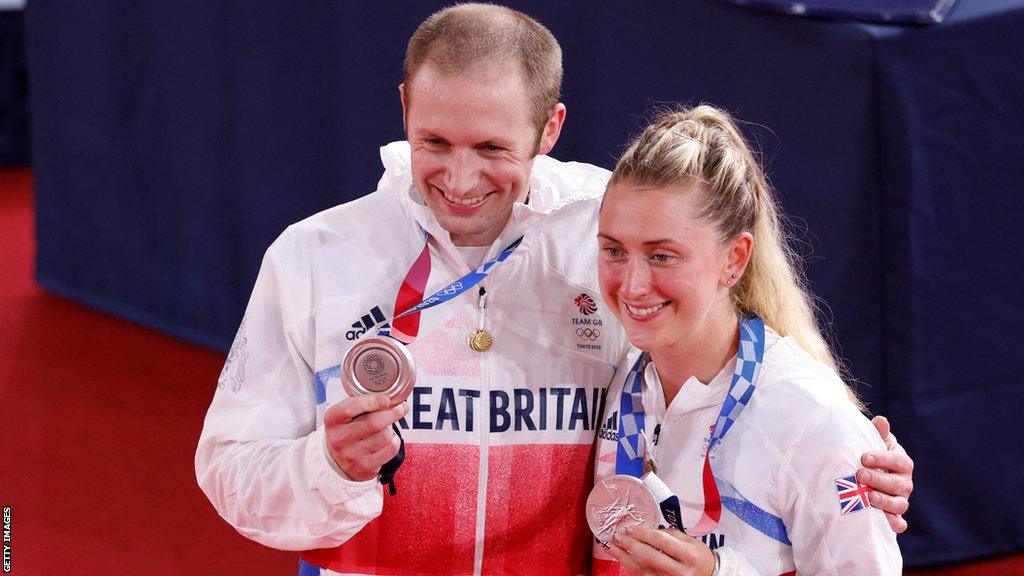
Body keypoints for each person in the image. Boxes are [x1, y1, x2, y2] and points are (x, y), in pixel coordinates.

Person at [195, 5, 913, 576]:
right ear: (406, 105)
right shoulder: (315, 259)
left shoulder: (603, 230)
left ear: (550, 127)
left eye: (493, 149)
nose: (461, 179)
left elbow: (730, 334)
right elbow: (228, 470)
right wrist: (326, 467)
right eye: (435, 142)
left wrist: (846, 473)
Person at [590, 105, 902, 575]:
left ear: (734, 259)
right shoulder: (616, 372)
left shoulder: (811, 418)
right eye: (614, 250)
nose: (631, 286)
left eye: (662, 256)